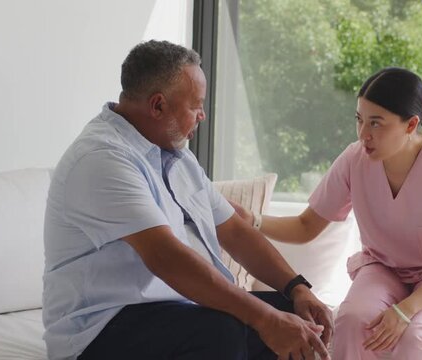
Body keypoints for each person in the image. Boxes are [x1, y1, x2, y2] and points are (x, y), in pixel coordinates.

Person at [42, 40, 332, 360]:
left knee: (297, 317)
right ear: (158, 106)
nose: (202, 116)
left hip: (170, 312)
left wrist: (297, 288)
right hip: (99, 331)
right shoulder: (102, 160)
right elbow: (166, 257)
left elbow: (235, 231)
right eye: (196, 105)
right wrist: (263, 318)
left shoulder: (175, 154)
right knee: (225, 329)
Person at [231, 67, 422, 360]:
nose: (364, 134)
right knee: (352, 321)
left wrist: (404, 311)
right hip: (383, 268)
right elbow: (306, 226)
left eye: (376, 123)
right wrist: (253, 221)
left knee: (416, 337)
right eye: (360, 120)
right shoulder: (355, 159)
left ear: (410, 124)